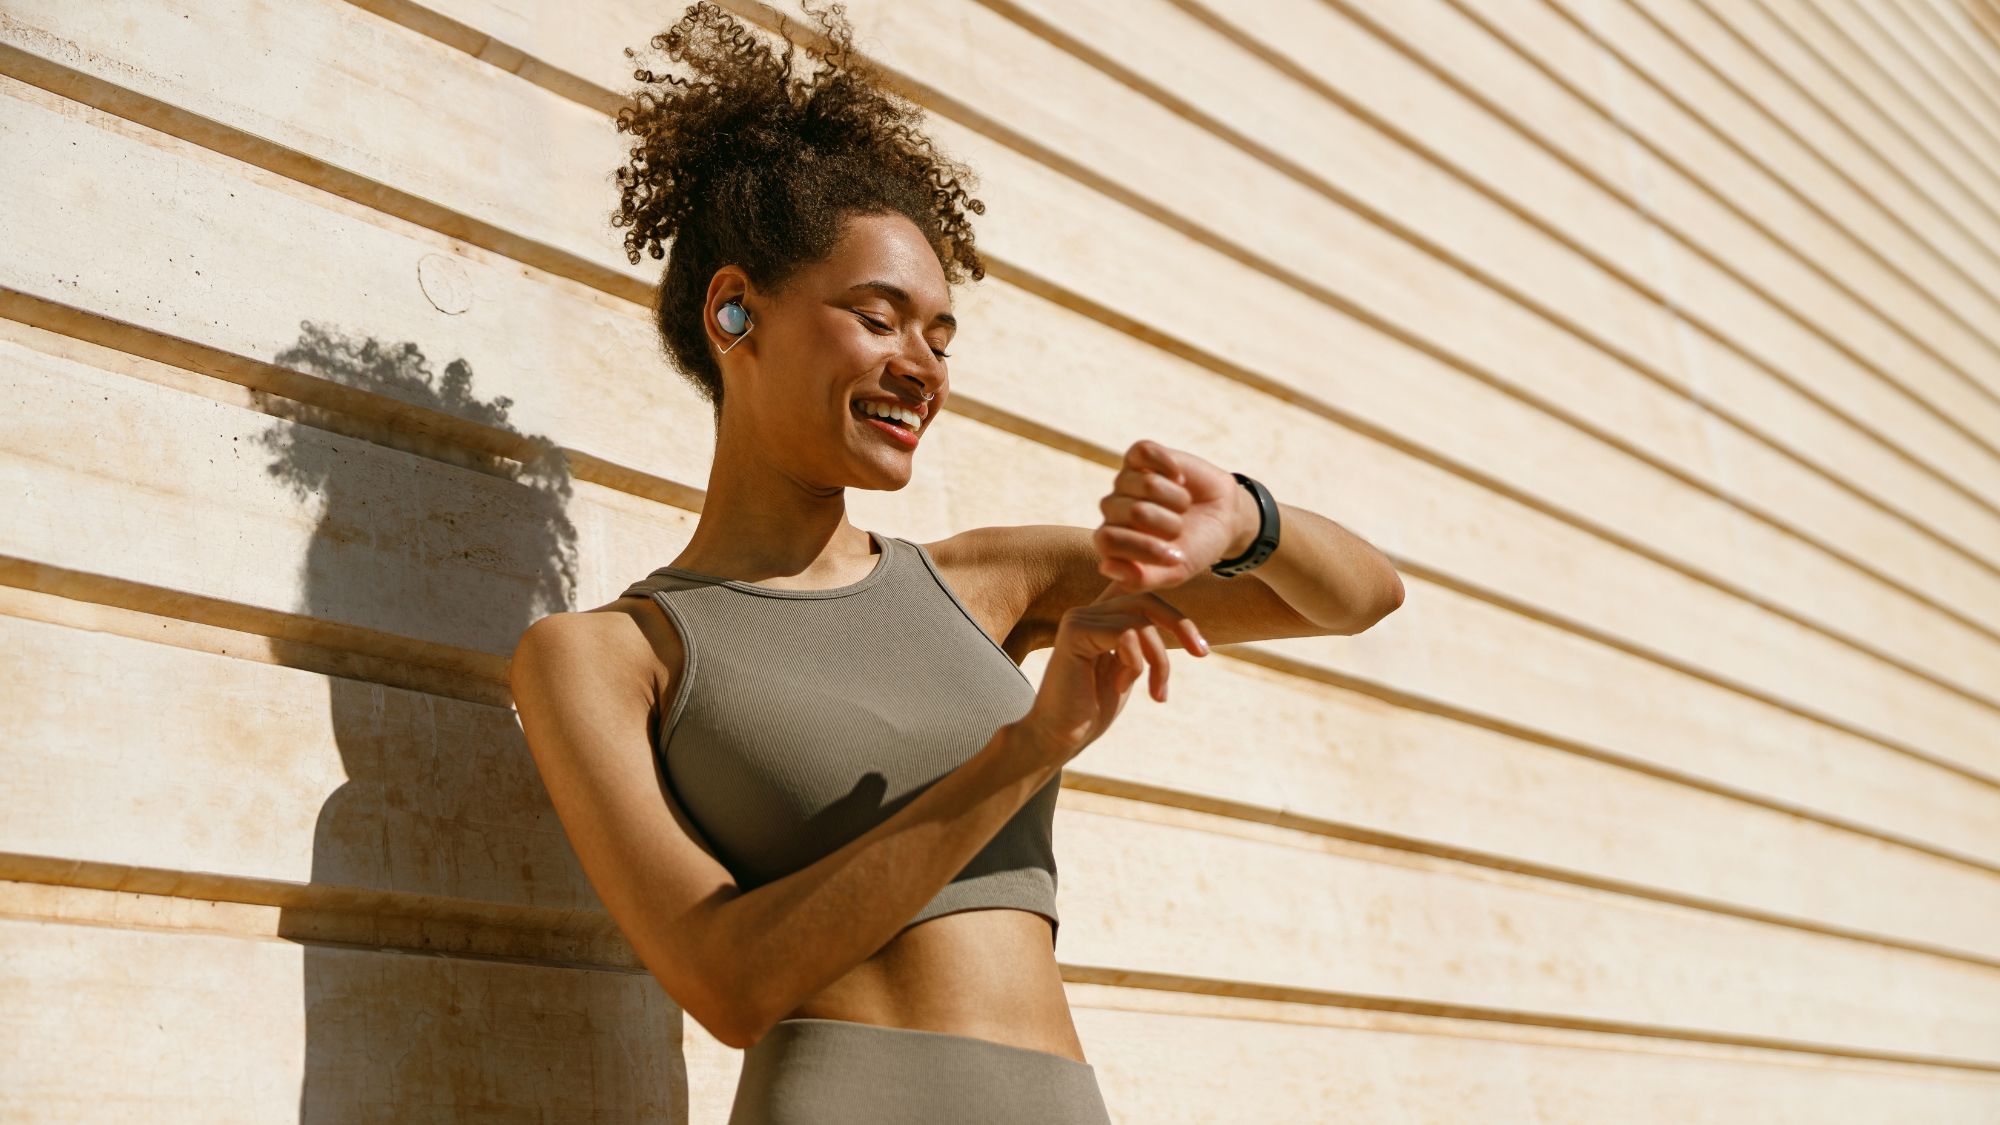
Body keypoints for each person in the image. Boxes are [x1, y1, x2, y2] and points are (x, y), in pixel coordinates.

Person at [506, 3, 1404, 1121]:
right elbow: (726, 985)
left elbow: (1357, 597)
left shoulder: (989, 581)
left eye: (939, 336)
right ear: (734, 311)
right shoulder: (601, 657)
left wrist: (1244, 518)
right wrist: (1029, 747)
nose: (919, 366)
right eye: (878, 318)